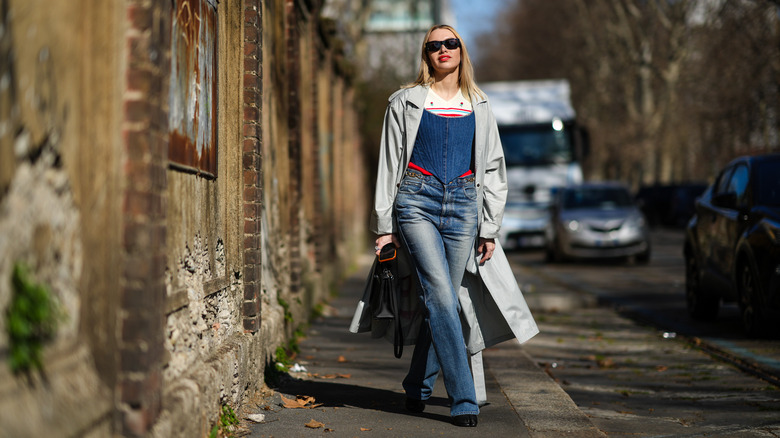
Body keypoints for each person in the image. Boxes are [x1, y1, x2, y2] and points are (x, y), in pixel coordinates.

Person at [370, 24, 538, 428]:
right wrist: (383, 226)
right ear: (426, 55)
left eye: (451, 43)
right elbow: (388, 164)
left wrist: (489, 227)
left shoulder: (479, 105)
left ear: (461, 51)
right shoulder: (405, 102)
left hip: (464, 206)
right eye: (434, 45)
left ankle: (417, 385)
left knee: (440, 300)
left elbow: (494, 169)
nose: (443, 49)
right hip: (416, 202)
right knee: (443, 297)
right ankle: (464, 397)